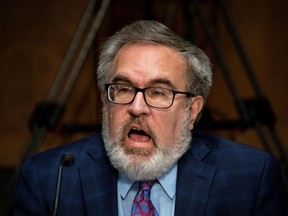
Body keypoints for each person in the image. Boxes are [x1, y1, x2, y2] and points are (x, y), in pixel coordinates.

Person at [13, 20, 287, 215]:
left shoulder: (250, 177)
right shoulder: (50, 179)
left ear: (192, 111)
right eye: (123, 89)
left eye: (158, 92)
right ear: (104, 101)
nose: (137, 106)